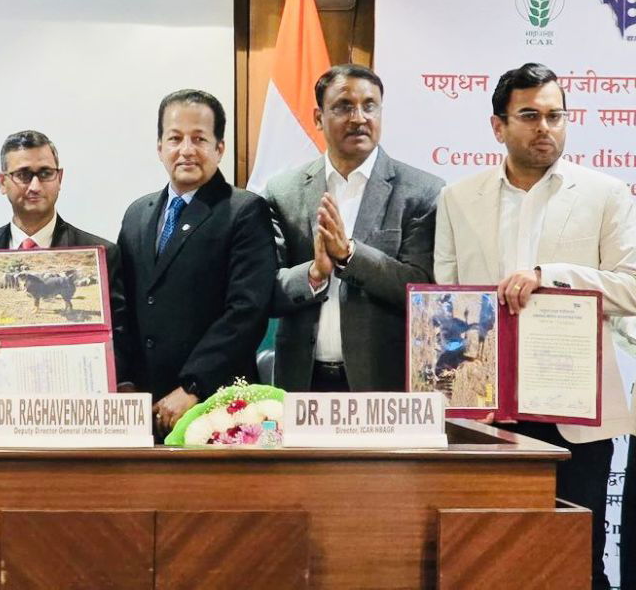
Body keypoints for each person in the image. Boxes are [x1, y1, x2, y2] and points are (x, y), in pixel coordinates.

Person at [434, 62, 636, 589]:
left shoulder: (606, 194)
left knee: (575, 562)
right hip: (485, 414)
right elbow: (444, 303)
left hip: (577, 413)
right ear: (498, 126)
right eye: (529, 115)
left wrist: (552, 277)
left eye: (555, 115)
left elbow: (633, 287)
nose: (545, 127)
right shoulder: (458, 198)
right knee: (484, 560)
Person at [265, 64, 444, 392]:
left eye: (369, 105)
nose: (359, 117)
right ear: (318, 118)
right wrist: (314, 274)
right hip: (301, 384)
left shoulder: (421, 191)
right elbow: (264, 290)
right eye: (344, 106)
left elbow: (422, 289)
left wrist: (350, 256)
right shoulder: (283, 192)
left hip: (383, 386)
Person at [116, 89, 276, 435]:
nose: (186, 150)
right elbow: (121, 306)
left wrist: (192, 386)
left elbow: (246, 312)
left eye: (199, 139)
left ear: (220, 148)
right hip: (144, 407)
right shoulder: (136, 215)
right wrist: (124, 380)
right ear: (159, 147)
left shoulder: (245, 211)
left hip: (214, 405)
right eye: (175, 138)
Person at [0, 130, 129, 406]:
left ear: (60, 178)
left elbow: (124, 342)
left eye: (45, 173)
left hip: (75, 410)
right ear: (2, 181)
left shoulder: (99, 254)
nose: (34, 186)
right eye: (22, 174)